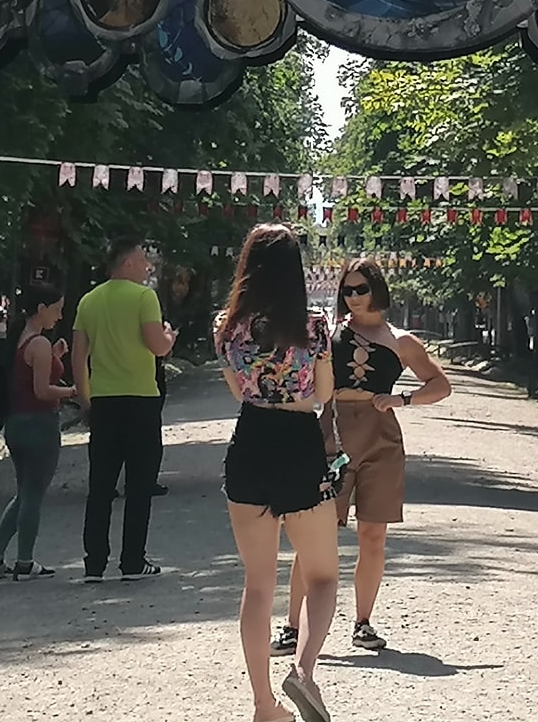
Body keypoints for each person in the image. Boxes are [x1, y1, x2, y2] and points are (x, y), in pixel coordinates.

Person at [279, 256, 451, 657]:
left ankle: (363, 622)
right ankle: (292, 626)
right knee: (314, 534)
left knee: (373, 534)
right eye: (347, 290)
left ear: (378, 290)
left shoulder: (402, 341)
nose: (354, 297)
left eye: (361, 289)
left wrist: (402, 399)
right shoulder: (329, 332)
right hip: (332, 432)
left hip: (381, 436)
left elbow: (440, 385)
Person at [217, 224, 340, 722]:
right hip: (298, 443)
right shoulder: (313, 326)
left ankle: (263, 704)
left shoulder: (227, 327)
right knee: (322, 575)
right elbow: (324, 393)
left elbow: (237, 391)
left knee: (258, 584)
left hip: (249, 443)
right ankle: (304, 671)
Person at [75, 237, 175, 581]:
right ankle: (132, 559)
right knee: (139, 484)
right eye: (143, 259)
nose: (148, 266)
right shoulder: (144, 297)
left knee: (101, 486)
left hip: (104, 401)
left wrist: (85, 400)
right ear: (127, 263)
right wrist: (168, 337)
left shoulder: (89, 300)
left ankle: (94, 562)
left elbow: (78, 357)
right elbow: (156, 345)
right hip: (141, 401)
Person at [0, 280, 75, 579]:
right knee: (33, 495)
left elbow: (25, 377)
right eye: (56, 309)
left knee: (24, 494)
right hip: (39, 424)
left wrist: (55, 357)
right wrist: (73, 391)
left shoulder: (21, 339)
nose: (59, 316)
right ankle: (25, 560)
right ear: (41, 308)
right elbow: (42, 390)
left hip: (16, 423)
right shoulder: (39, 343)